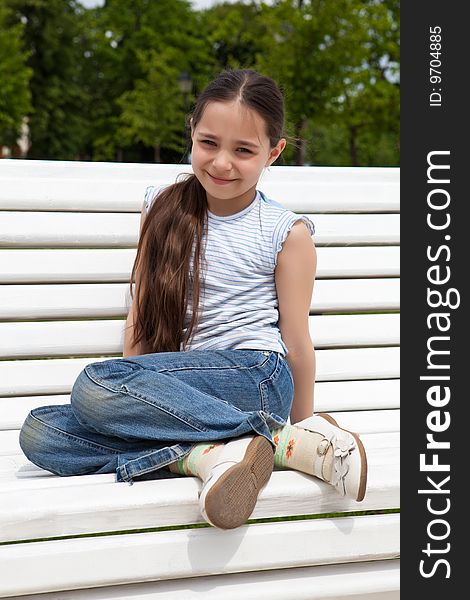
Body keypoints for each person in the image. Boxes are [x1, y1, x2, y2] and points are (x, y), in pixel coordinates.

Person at [19, 69, 367, 530]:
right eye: (209, 143)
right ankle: (208, 455)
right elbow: (142, 312)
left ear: (274, 152)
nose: (222, 163)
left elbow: (297, 341)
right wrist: (131, 391)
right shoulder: (162, 207)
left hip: (256, 376)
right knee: (41, 432)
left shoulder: (286, 232)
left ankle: (284, 442)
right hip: (181, 391)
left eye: (244, 150)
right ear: (191, 132)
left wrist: (305, 425)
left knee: (93, 387)